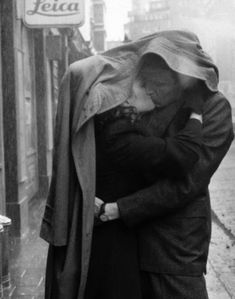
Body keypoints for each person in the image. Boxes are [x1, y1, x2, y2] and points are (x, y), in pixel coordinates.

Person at [40, 30, 234, 299]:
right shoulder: (148, 96)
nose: (152, 88)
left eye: (160, 82)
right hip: (129, 242)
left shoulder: (213, 107)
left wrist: (118, 209)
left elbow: (185, 183)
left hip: (173, 246)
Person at [85, 56, 204, 299]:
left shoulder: (113, 128)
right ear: (122, 98)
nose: (148, 90)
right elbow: (182, 155)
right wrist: (196, 114)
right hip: (113, 243)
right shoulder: (119, 134)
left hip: (118, 236)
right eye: (141, 85)